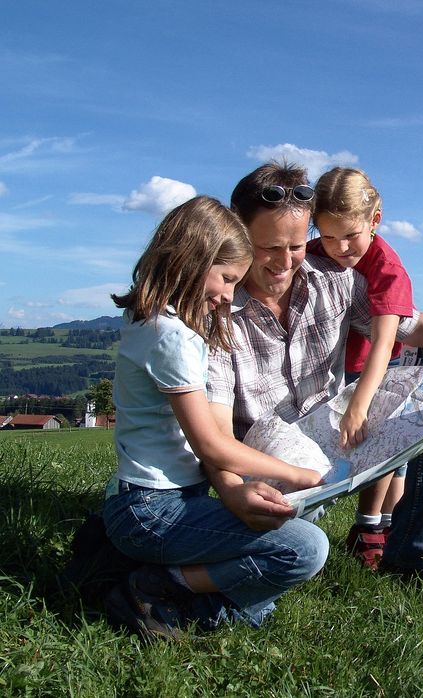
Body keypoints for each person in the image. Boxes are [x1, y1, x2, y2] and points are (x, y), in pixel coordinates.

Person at [207, 160, 423, 584]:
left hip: (333, 426)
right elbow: (213, 434)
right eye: (268, 247)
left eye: (295, 245)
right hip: (269, 457)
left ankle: (417, 559)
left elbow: (411, 325)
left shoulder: (333, 278)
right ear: (239, 235)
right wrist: (231, 488)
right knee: (298, 544)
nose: (285, 262)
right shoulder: (217, 308)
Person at [102, 195, 328, 641]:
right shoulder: (170, 336)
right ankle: (158, 590)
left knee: (284, 516)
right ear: (192, 259)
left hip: (159, 501)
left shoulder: (157, 322)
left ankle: (204, 595)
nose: (228, 295)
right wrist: (301, 474)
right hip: (150, 511)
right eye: (226, 278)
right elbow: (210, 445)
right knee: (305, 548)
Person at [308, 167, 411, 569]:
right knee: (382, 449)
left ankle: (372, 527)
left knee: (385, 445)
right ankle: (383, 526)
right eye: (328, 236)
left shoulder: (387, 268)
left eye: (350, 235)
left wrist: (360, 405)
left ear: (375, 220)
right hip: (335, 364)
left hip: (380, 364)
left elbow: (384, 343)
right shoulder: (314, 253)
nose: (339, 247)